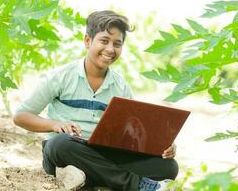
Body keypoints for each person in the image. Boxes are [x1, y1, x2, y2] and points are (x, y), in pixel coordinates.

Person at [13, 10, 178, 191]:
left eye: (117, 44)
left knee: (168, 167)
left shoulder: (120, 86)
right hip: (68, 149)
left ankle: (81, 176)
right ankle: (137, 185)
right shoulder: (61, 77)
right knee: (60, 144)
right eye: (104, 41)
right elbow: (21, 116)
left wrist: (162, 147)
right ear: (87, 41)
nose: (110, 49)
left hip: (102, 154)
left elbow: (133, 134)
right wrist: (54, 125)